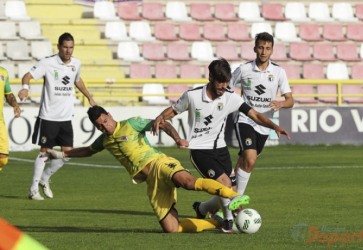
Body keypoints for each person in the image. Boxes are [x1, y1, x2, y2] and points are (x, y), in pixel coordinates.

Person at [45, 105, 249, 233]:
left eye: (105, 122)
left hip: (160, 164)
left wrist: (177, 138)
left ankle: (232, 196)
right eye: (99, 126)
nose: (104, 127)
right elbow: (88, 151)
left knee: (187, 182)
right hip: (152, 183)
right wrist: (62, 154)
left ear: (109, 115)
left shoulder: (132, 123)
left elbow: (161, 123)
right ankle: (217, 223)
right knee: (172, 229)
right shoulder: (104, 141)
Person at [152, 58, 290, 233]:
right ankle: (228, 222)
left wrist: (274, 126)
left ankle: (201, 209)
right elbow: (173, 110)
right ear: (210, 77)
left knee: (231, 191)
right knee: (225, 186)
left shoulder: (229, 97)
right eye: (220, 82)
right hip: (200, 151)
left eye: (226, 82)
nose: (223, 86)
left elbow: (254, 115)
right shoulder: (192, 96)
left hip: (221, 150)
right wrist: (160, 117)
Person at [18, 32, 96, 200]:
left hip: (66, 118)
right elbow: (28, 75)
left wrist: (89, 97)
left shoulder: (76, 63)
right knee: (44, 152)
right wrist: (25, 87)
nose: (68, 51)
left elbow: (77, 80)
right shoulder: (48, 63)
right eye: (65, 47)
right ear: (59, 46)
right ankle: (33, 190)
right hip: (48, 117)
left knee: (67, 155)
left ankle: (45, 179)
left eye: (71, 47)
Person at [229, 32, 294, 200]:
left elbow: (290, 100)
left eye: (267, 48)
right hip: (246, 119)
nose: (263, 52)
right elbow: (227, 88)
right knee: (250, 159)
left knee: (243, 164)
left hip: (265, 125)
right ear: (254, 48)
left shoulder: (279, 72)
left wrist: (281, 103)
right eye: (260, 48)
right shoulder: (244, 69)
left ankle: (212, 205)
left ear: (272, 51)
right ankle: (236, 203)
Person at [0, 67, 21, 171]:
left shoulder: (3, 72)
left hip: (0, 122)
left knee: (3, 159)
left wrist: (15, 104)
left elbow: (8, 94)